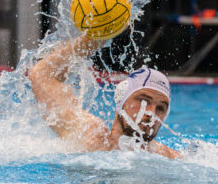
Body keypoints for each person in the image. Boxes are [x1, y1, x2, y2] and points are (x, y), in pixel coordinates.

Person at [28, 34, 181, 159]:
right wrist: (92, 39)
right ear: (121, 99)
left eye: (161, 108)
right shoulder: (87, 136)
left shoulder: (169, 159)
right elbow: (41, 74)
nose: (151, 113)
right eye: (143, 100)